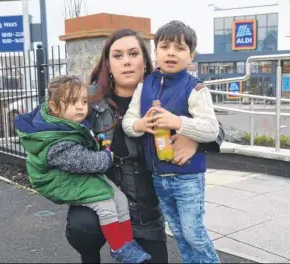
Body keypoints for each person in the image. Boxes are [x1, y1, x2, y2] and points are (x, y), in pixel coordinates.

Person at [64, 28, 225, 263]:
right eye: (118, 56)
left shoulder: (162, 92)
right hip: (101, 197)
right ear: (108, 63)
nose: (127, 62)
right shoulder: (90, 98)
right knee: (83, 228)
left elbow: (215, 127)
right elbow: (50, 116)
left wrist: (195, 142)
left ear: (145, 58)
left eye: (133, 54)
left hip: (145, 208)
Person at [14, 75, 151, 263]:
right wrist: (105, 157)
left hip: (73, 173)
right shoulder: (56, 139)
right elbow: (82, 162)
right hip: (59, 180)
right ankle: (119, 247)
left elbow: (82, 148)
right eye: (72, 102)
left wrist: (98, 144)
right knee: (105, 204)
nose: (80, 106)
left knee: (119, 198)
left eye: (84, 101)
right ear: (54, 107)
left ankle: (127, 242)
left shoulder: (65, 124)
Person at [122, 20, 221, 263]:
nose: (171, 53)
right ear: (156, 52)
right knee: (178, 233)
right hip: (158, 176)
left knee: (193, 233)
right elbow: (128, 121)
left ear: (191, 56)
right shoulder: (145, 85)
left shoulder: (195, 88)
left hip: (188, 176)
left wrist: (177, 122)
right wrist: (140, 126)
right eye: (165, 47)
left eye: (179, 48)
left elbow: (211, 129)